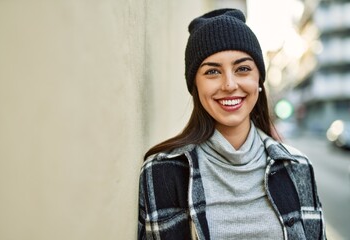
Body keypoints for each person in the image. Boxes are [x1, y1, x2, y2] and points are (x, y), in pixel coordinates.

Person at [138, 8, 326, 240]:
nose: (229, 84)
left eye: (243, 69)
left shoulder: (297, 167)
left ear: (258, 79)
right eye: (213, 71)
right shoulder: (163, 172)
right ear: (195, 86)